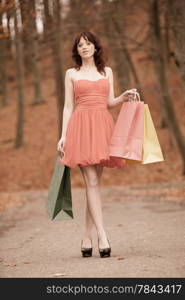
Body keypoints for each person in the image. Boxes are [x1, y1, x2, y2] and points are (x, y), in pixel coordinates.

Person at [57, 31, 136, 258]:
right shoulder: (71, 73)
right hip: (80, 127)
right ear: (77, 50)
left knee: (94, 186)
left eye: (88, 43)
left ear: (95, 47)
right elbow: (68, 107)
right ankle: (103, 235)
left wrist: (123, 97)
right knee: (90, 181)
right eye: (80, 45)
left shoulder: (106, 71)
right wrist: (63, 136)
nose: (84, 47)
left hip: (102, 127)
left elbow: (109, 102)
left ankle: (86, 237)